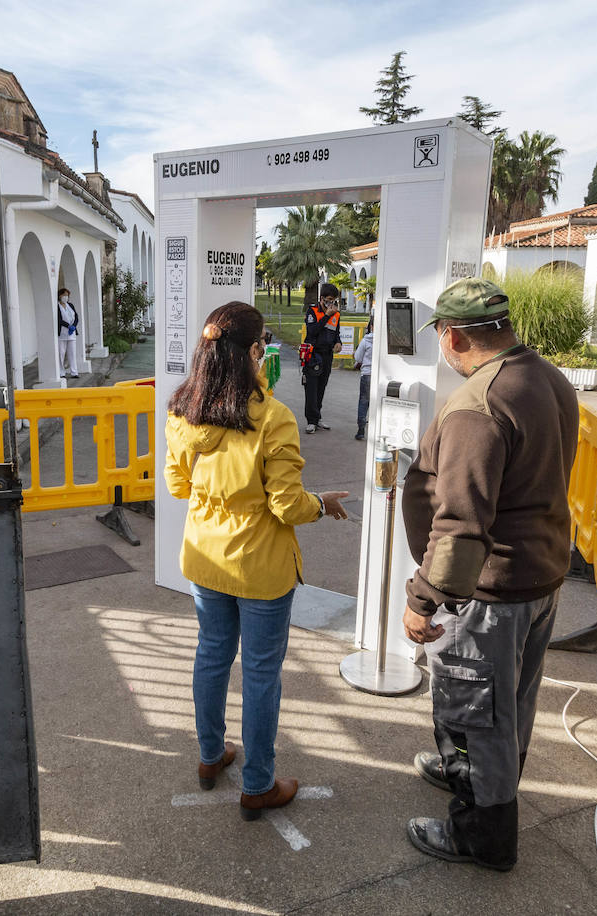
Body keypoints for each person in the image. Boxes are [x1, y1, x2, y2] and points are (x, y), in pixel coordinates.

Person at [399, 277, 578, 872]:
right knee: (508, 705)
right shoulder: (546, 378)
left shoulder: (480, 404)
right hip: (538, 576)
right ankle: (479, 779)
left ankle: (482, 833)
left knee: (474, 711)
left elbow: (461, 526)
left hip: (491, 590)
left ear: (452, 336)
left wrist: (422, 601)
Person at [164, 301, 349, 820]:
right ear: (251, 351)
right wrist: (322, 504)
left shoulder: (182, 412)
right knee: (262, 674)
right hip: (262, 567)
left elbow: (178, 485)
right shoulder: (272, 417)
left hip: (205, 559)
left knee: (211, 656)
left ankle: (208, 757)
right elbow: (286, 504)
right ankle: (257, 785)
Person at [301, 283, 342, 433]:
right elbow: (312, 331)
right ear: (322, 298)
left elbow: (336, 332)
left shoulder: (336, 314)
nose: (331, 303)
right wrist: (326, 316)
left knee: (321, 387)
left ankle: (317, 418)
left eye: (334, 300)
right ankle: (311, 421)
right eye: (329, 299)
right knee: (311, 388)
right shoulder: (312, 311)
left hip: (327, 355)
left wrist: (338, 342)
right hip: (313, 354)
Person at [353, 318, 373, 440]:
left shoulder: (366, 340)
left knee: (363, 402)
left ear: (370, 326)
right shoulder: (385, 340)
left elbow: (358, 358)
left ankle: (361, 430)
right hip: (380, 375)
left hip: (366, 374)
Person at [56, 287, 82, 379]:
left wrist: (74, 326)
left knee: (72, 353)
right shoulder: (57, 306)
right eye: (64, 295)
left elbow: (76, 317)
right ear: (60, 296)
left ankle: (74, 372)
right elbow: (58, 320)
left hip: (72, 333)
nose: (66, 297)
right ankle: (61, 372)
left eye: (67, 295)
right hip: (62, 333)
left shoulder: (70, 305)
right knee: (61, 353)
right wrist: (68, 326)